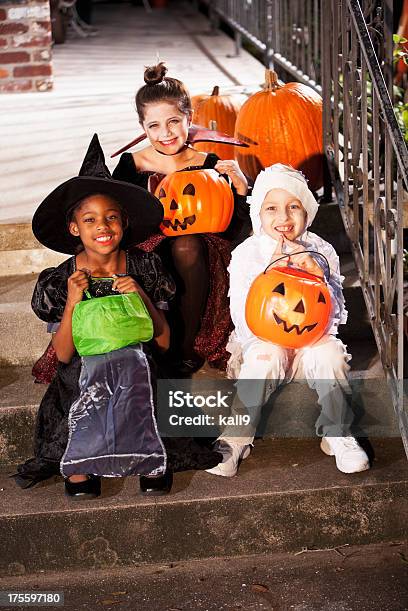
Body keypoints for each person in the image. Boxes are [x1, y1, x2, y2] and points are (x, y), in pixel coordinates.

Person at [14, 135, 221, 498]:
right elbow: (63, 354)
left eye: (111, 218)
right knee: (87, 376)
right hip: (84, 369)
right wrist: (74, 301)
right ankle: (82, 458)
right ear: (75, 228)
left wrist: (140, 295)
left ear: (123, 223)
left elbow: (163, 341)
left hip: (138, 365)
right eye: (90, 219)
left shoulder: (144, 267)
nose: (103, 226)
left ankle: (149, 455)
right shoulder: (62, 280)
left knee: (135, 368)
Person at [206, 164, 371, 477]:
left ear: (306, 212)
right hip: (263, 343)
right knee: (265, 357)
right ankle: (236, 439)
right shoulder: (247, 253)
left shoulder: (322, 250)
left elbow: (333, 318)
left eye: (293, 207)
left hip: (309, 344)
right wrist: (270, 271)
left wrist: (318, 277)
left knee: (330, 353)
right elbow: (243, 317)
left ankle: (338, 433)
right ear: (259, 213)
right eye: (272, 208)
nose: (283, 218)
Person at [112, 62, 250, 374]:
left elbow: (230, 227)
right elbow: (116, 220)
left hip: (201, 253)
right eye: (154, 126)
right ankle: (157, 342)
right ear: (143, 127)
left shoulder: (209, 162)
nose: (165, 133)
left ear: (189, 118)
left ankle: (187, 344)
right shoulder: (131, 165)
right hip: (147, 250)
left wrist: (240, 190)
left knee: (187, 245)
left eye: (173, 121)